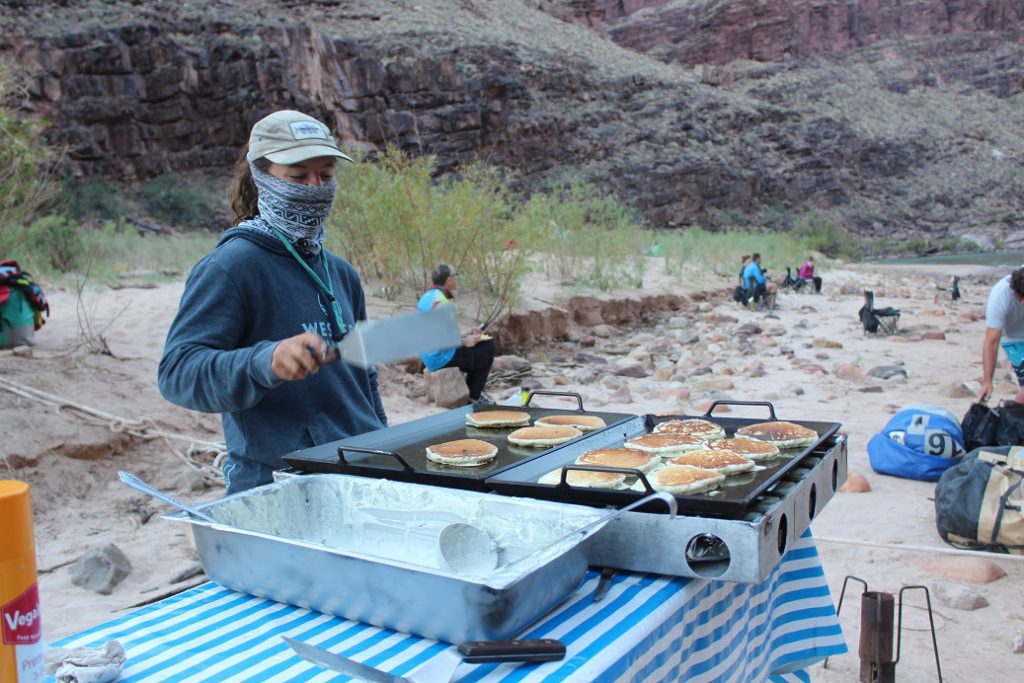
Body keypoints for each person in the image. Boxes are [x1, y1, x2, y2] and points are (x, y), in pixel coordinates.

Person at [158, 110, 388, 494]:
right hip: (280, 484)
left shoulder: (341, 273)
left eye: (326, 176)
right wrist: (264, 362)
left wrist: (382, 440)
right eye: (298, 176)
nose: (314, 187)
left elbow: (365, 377)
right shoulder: (231, 267)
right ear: (261, 177)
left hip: (362, 471)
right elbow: (177, 374)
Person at [418, 263, 495, 403]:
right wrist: (466, 341)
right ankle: (473, 397)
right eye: (454, 276)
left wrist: (466, 335)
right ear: (449, 280)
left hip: (427, 355)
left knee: (477, 349)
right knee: (487, 348)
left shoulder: (426, 297)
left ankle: (470, 393)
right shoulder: (443, 304)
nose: (456, 280)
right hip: (440, 358)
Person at [978, 265, 1024, 405]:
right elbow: (991, 341)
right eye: (1021, 297)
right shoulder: (1000, 296)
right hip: (1014, 339)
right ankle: (1016, 416)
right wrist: (987, 381)